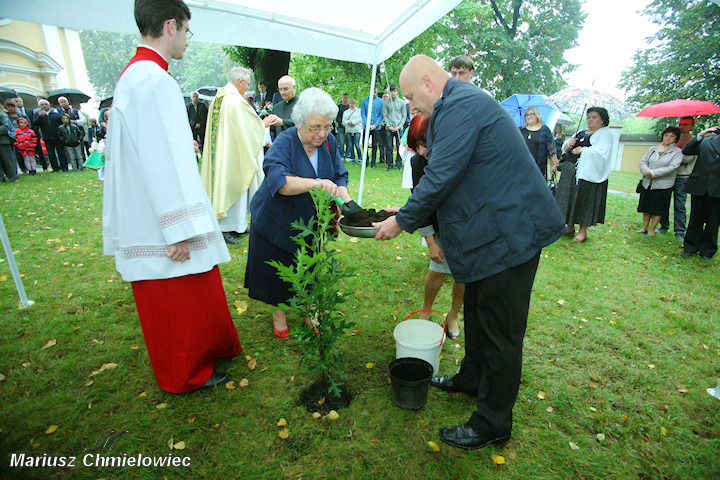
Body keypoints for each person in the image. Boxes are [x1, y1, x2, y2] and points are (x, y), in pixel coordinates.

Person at [374, 55, 566, 450]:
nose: (409, 104)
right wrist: (408, 210)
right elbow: (459, 177)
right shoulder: (456, 103)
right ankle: (471, 378)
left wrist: (402, 221)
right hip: (491, 235)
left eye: (410, 95)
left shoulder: (459, 106)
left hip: (510, 236)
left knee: (500, 333)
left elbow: (442, 175)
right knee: (478, 313)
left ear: (428, 82)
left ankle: (492, 421)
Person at [103, 0, 241, 393]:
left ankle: (209, 351)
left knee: (195, 288)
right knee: (174, 298)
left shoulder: (141, 76)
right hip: (161, 217)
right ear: (169, 26)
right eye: (185, 30)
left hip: (154, 209)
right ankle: (186, 372)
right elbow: (160, 158)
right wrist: (177, 228)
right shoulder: (151, 80)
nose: (186, 40)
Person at [245, 87, 355, 339]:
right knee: (278, 267)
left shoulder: (329, 141)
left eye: (327, 127)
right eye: (315, 127)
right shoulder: (285, 141)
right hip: (275, 217)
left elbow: (339, 174)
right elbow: (280, 182)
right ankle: (279, 312)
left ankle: (309, 308)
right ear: (299, 121)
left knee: (308, 266)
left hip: (308, 220)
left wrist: (345, 197)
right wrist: (316, 183)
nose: (322, 133)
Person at [200, 67, 275, 244]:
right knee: (234, 184)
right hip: (232, 153)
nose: (247, 88)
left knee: (228, 185)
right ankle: (226, 227)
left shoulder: (219, 98)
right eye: (247, 84)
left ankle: (238, 225)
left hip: (222, 150)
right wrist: (263, 123)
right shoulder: (234, 101)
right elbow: (250, 126)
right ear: (240, 82)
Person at [407, 113, 463, 338]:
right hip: (437, 225)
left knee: (462, 275)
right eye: (416, 146)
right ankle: (426, 310)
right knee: (437, 269)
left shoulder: (459, 157)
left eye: (425, 144)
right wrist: (430, 241)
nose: (421, 152)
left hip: (464, 225)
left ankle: (453, 315)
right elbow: (420, 203)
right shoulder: (417, 162)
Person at [555, 107, 614, 243]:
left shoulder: (605, 135)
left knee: (583, 200)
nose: (590, 120)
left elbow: (602, 153)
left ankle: (582, 231)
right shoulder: (581, 132)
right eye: (589, 117)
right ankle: (569, 227)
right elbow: (566, 147)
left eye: (594, 117)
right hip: (570, 170)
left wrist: (583, 150)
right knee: (568, 197)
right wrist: (569, 145)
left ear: (602, 120)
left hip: (587, 174)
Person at [681, 125, 720, 260]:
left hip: (717, 187)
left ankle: (708, 250)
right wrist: (700, 135)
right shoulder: (706, 140)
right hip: (700, 184)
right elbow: (687, 150)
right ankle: (690, 247)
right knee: (695, 218)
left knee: (713, 221)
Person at [636, 126, 683, 235]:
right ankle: (644, 228)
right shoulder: (652, 149)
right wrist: (646, 171)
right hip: (648, 183)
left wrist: (653, 173)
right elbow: (643, 161)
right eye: (666, 135)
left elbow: (672, 167)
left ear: (676, 138)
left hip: (663, 185)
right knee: (646, 206)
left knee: (658, 208)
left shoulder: (677, 152)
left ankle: (652, 229)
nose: (668, 138)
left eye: (671, 136)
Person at [658, 116, 697, 241]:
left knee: (680, 204)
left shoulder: (694, 141)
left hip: (682, 176)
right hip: (668, 175)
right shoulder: (674, 140)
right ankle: (663, 225)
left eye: (686, 124)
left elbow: (687, 159)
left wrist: (673, 157)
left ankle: (680, 231)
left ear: (692, 126)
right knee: (663, 201)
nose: (682, 127)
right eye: (680, 124)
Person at [520, 106, 558, 180]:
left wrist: (554, 165)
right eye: (526, 115)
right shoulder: (520, 130)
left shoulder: (544, 131)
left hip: (538, 169)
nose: (529, 116)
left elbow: (552, 151)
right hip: (522, 168)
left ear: (537, 115)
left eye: (531, 114)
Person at [33, 99, 67, 171]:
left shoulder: (55, 113)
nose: (44, 106)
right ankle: (55, 168)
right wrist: (40, 116)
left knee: (61, 152)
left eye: (46, 104)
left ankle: (64, 167)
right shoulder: (38, 114)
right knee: (51, 154)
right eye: (42, 104)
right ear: (39, 106)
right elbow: (35, 124)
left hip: (58, 136)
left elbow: (61, 123)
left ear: (49, 105)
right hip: (47, 137)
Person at [383, 85, 406, 170]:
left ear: (397, 91)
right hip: (389, 128)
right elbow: (385, 115)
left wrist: (399, 126)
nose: (393, 93)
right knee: (389, 147)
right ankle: (390, 165)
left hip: (399, 128)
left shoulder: (402, 102)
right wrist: (389, 126)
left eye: (394, 91)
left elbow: (404, 115)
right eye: (391, 91)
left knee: (399, 146)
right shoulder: (386, 103)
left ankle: (399, 164)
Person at [268, 75, 298, 139]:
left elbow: (305, 124)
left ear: (294, 87)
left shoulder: (304, 105)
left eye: (285, 89)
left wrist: (283, 122)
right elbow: (272, 130)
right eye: (280, 89)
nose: (282, 92)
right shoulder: (276, 107)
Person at [360, 86, 383, 168]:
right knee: (364, 143)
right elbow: (363, 113)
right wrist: (367, 124)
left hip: (376, 127)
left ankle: (373, 162)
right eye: (372, 91)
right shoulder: (364, 101)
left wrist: (375, 125)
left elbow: (381, 115)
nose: (374, 93)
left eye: (375, 91)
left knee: (374, 145)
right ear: (370, 91)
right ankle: (365, 160)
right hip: (367, 127)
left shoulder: (380, 101)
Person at [342, 98, 362, 163]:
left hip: (356, 130)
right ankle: (352, 157)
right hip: (349, 130)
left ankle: (360, 158)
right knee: (350, 145)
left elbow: (360, 119)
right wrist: (348, 123)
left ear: (355, 104)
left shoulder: (359, 111)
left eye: (353, 103)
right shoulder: (346, 112)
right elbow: (343, 120)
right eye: (350, 103)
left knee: (357, 144)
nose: (351, 105)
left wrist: (353, 122)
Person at [0, 110, 16, 182]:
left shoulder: (1, 116)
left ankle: (12, 177)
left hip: (3, 142)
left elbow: (5, 127)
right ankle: (1, 178)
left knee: (7, 161)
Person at [335, 93, 350, 159]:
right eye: (344, 98)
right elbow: (337, 117)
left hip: (349, 127)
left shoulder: (349, 107)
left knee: (348, 142)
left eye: (346, 98)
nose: (345, 99)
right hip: (340, 127)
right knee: (341, 142)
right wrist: (341, 123)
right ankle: (341, 155)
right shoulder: (338, 107)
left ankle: (347, 155)